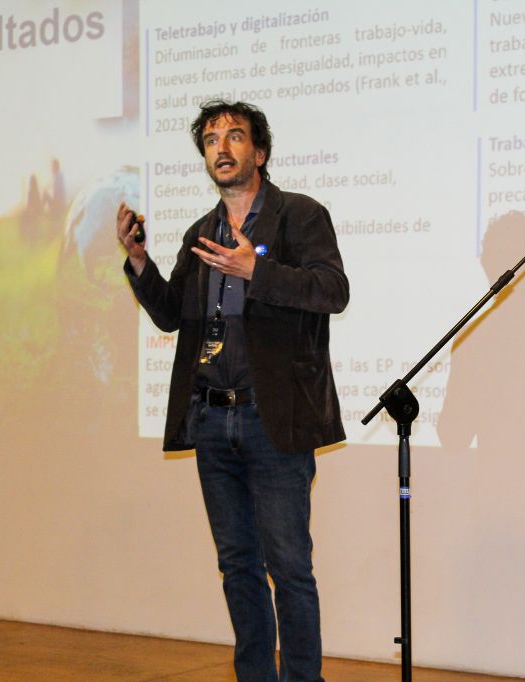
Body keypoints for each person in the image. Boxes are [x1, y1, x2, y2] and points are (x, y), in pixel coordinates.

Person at [116, 100, 347, 682]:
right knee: (238, 566)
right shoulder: (201, 232)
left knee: (289, 568)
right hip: (213, 420)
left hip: (274, 420)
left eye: (235, 136)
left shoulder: (300, 216)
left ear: (259, 153)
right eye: (211, 139)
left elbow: (332, 290)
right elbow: (172, 315)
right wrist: (139, 261)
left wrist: (256, 271)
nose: (221, 147)